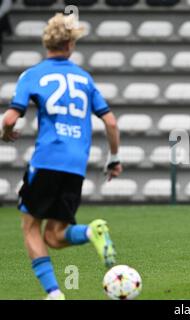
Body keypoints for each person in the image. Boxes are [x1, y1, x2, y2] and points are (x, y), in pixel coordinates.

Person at [0, 13, 122, 299]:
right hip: (75, 166)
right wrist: (113, 159)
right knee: (55, 236)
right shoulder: (84, 79)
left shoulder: (32, 75)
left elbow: (8, 119)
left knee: (30, 226)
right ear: (70, 44)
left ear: (47, 43)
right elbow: (111, 122)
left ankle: (54, 294)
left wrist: (6, 132)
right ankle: (92, 232)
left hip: (46, 160)